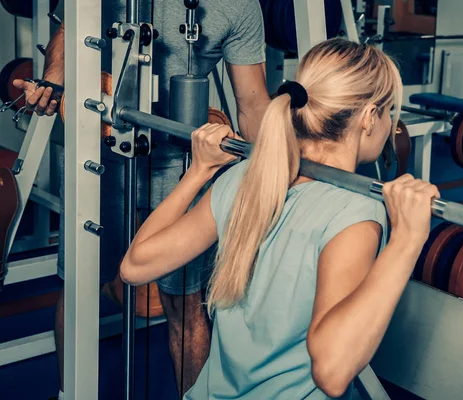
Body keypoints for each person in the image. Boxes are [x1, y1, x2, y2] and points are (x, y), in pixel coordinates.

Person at [120, 38, 440, 399]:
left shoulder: (242, 178)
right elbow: (333, 375)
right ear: (368, 118)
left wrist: (198, 171)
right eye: (389, 112)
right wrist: (407, 241)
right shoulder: (354, 212)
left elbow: (135, 265)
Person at [13, 1, 271, 398]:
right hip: (95, 150)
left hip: (183, 160)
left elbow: (252, 103)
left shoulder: (237, 5)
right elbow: (68, 29)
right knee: (81, 285)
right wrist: (53, 78)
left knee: (186, 303)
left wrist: (273, 174)